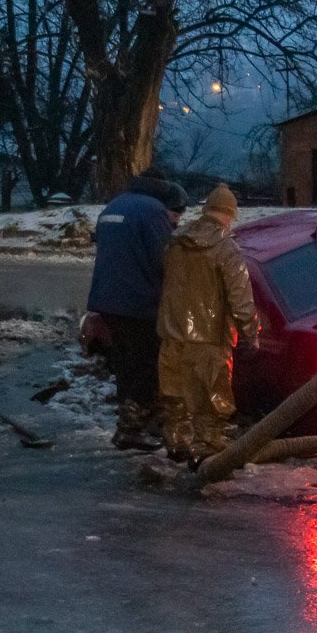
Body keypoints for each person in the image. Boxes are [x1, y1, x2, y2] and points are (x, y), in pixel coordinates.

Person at [87, 167, 189, 450]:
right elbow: (165, 258)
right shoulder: (153, 210)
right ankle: (132, 429)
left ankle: (131, 424)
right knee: (147, 366)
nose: (177, 222)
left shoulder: (115, 204)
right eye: (177, 216)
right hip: (138, 303)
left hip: (106, 300)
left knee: (125, 364)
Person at [157, 184, 259, 465]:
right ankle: (208, 451)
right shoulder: (226, 248)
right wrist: (250, 332)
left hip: (172, 334)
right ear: (229, 214)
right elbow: (240, 297)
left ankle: (176, 444)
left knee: (174, 396)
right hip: (210, 339)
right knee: (212, 402)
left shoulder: (176, 242)